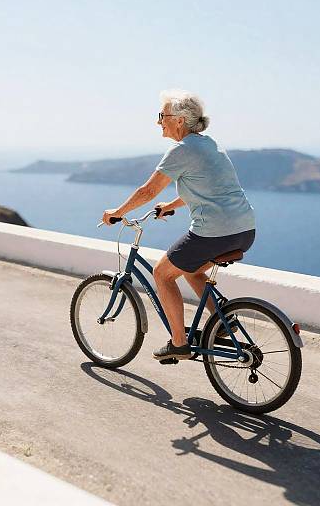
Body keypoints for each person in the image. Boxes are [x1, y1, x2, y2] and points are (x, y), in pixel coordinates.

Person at [102, 89, 255, 361]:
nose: (159, 121)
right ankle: (224, 323)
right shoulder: (209, 144)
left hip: (214, 233)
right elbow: (205, 188)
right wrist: (169, 207)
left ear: (180, 120)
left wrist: (118, 211)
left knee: (162, 273)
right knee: (193, 271)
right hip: (244, 230)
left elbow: (148, 191)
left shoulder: (181, 150)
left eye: (162, 115)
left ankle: (179, 343)